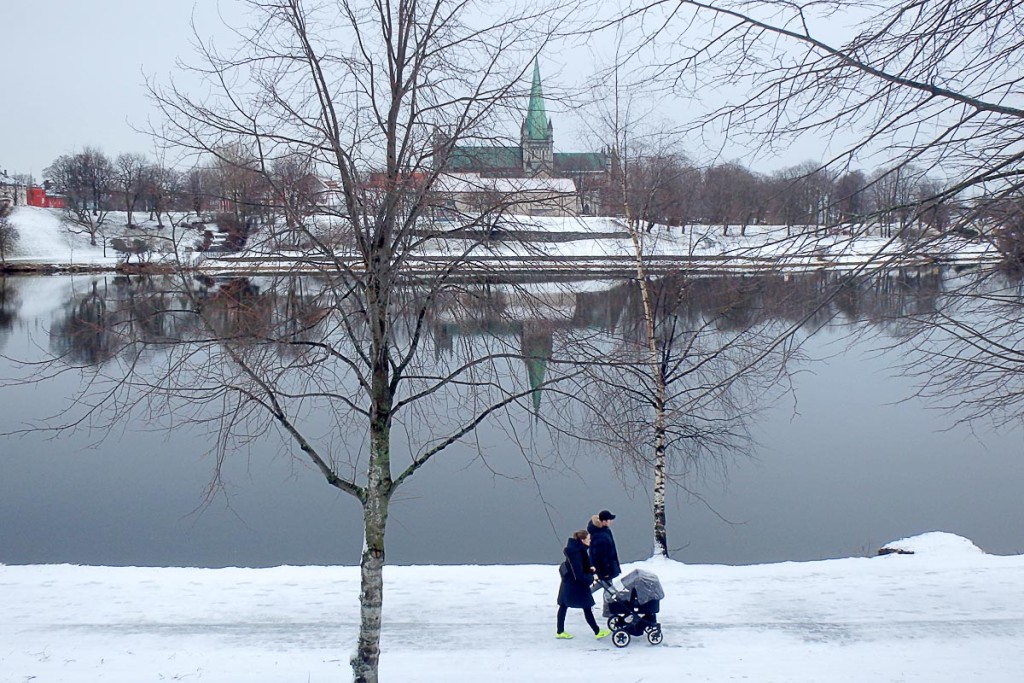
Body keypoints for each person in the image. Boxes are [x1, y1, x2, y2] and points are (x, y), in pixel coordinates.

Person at [556, 530, 612, 640]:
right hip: (576, 585)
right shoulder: (577, 554)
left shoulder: (576, 550)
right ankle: (597, 631)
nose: (590, 540)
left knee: (563, 605)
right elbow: (579, 574)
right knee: (586, 607)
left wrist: (590, 568)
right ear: (582, 540)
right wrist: (592, 577)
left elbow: (581, 566)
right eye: (588, 539)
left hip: (568, 583)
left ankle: (560, 631)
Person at [587, 510, 621, 588]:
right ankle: (581, 597)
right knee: (608, 587)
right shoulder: (600, 536)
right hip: (605, 568)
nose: (611, 522)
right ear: (604, 521)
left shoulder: (603, 531)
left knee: (606, 586)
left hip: (605, 567)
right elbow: (601, 556)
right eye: (609, 520)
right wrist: (605, 572)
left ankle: (582, 596)